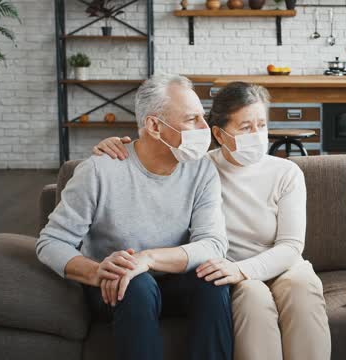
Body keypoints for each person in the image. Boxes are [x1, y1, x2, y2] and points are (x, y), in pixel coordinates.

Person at [93, 81, 331, 360]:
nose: (257, 135)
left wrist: (243, 269)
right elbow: (151, 156)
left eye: (262, 125)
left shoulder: (287, 172)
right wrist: (114, 143)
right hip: (229, 271)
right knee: (254, 301)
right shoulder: (198, 168)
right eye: (245, 128)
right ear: (218, 133)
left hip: (282, 265)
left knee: (302, 290)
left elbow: (291, 246)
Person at [36, 74, 233, 360]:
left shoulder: (201, 171)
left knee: (212, 281)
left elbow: (213, 244)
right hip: (117, 289)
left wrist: (148, 258)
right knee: (135, 281)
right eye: (192, 120)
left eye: (203, 117)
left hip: (171, 279)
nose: (205, 129)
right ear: (154, 126)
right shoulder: (100, 171)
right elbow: (50, 242)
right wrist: (96, 270)